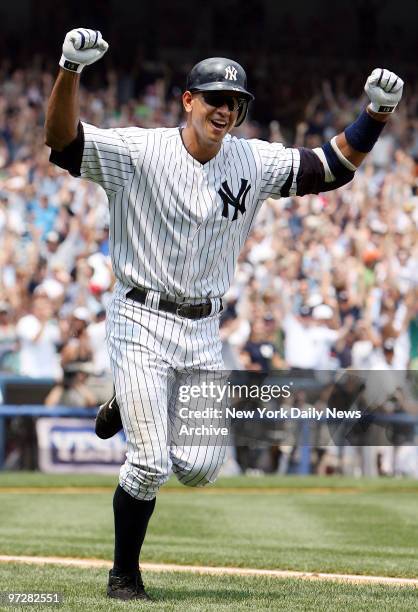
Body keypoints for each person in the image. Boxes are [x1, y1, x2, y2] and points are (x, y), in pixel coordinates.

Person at [45, 28, 404, 601]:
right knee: (150, 463)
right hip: (141, 316)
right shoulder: (139, 151)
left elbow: (330, 167)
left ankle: (131, 399)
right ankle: (124, 576)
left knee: (201, 467)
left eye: (235, 103)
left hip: (204, 329)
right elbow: (61, 142)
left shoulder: (252, 160)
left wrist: (377, 114)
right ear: (188, 100)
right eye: (214, 98)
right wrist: (70, 70)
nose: (225, 110)